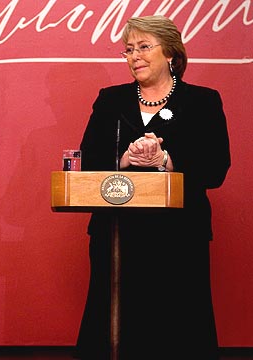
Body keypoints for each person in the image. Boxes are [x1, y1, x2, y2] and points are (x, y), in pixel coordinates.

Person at [76, 16, 231, 359]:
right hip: (116, 235)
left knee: (175, 332)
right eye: (129, 50)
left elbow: (216, 167)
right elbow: (87, 160)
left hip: (178, 237)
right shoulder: (110, 100)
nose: (135, 56)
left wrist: (166, 160)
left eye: (144, 47)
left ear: (171, 54)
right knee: (114, 328)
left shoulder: (202, 101)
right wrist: (126, 160)